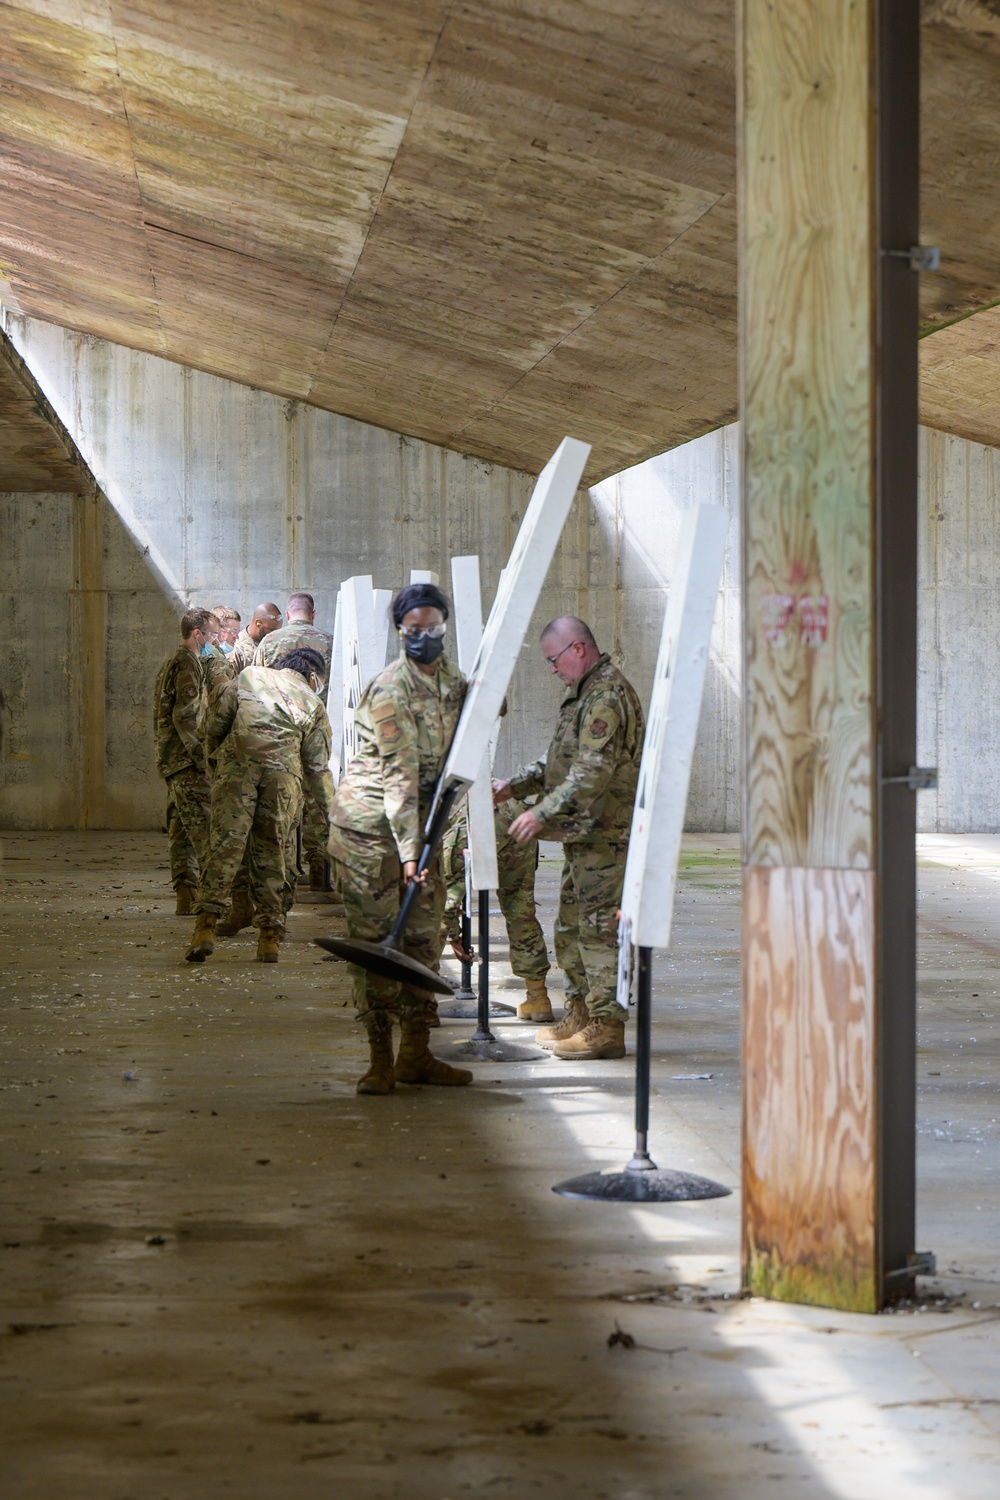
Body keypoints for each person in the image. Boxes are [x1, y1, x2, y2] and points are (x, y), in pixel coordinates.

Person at [328, 582, 473, 1094]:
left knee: (422, 940)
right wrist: (412, 855)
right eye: (414, 630)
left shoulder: (455, 682)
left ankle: (416, 1055)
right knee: (375, 947)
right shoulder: (390, 689)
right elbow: (401, 776)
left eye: (432, 628)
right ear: (399, 632)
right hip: (369, 833)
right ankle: (379, 1060)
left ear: (444, 628)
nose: (424, 637)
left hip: (417, 830)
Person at [494, 617, 644, 1060]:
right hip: (585, 834)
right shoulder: (585, 695)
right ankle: (580, 1013)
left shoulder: (606, 697)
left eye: (554, 660)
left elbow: (590, 771)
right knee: (572, 928)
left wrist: (540, 813)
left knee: (600, 932)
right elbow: (559, 760)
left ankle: (606, 1026)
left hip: (606, 836)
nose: (552, 670)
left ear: (577, 649)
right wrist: (514, 786)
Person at [185, 647, 335, 964]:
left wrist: (215, 761)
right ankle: (269, 940)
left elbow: (214, 724)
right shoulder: (312, 701)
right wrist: (334, 816)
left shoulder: (249, 676)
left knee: (224, 847)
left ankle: (205, 930)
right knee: (273, 854)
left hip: (237, 768)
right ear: (312, 677)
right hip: (283, 779)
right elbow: (317, 768)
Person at [441, 799, 552, 1020]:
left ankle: (420, 1007)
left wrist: (453, 936)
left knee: (439, 899)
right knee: (521, 911)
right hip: (518, 815)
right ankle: (538, 999)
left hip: (475, 816)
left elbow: (443, 896)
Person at [253, 592, 334, 889]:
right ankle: (318, 866)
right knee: (316, 797)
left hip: (277, 734)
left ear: (287, 615)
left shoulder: (270, 642)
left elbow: (258, 684)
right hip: (315, 727)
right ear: (313, 614)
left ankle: (284, 869)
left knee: (279, 800)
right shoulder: (330, 641)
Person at [153, 608, 218, 913]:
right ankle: (211, 898)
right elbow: (186, 716)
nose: (213, 641)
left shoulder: (171, 662)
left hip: (172, 760)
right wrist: (203, 760)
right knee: (204, 830)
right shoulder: (187, 664)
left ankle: (185, 894)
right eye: (211, 635)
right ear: (197, 634)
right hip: (186, 762)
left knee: (180, 828)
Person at [230, 603, 282, 674]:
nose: (275, 634)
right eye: (272, 630)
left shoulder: (275, 644)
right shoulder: (237, 648)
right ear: (258, 623)